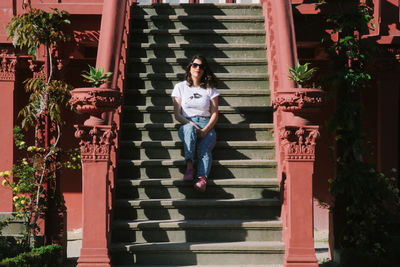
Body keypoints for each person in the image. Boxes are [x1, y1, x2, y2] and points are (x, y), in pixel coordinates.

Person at [171, 55, 219, 192]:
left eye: (201, 66)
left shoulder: (210, 88)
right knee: (189, 130)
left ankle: (202, 179)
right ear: (190, 67)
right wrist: (191, 124)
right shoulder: (180, 87)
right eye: (195, 65)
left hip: (206, 123)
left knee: (205, 148)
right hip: (187, 122)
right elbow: (177, 114)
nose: (198, 68)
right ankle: (189, 167)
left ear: (204, 70)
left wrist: (206, 129)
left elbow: (215, 113)